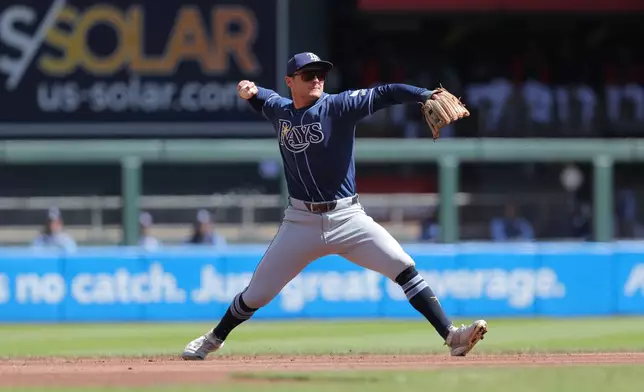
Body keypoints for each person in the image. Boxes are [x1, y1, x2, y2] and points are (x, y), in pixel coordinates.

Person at [182, 52, 487, 360]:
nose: (316, 78)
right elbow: (264, 99)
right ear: (291, 81)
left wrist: (424, 95)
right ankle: (213, 339)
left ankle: (452, 336)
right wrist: (250, 90)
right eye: (308, 74)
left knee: (403, 266)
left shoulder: (339, 106)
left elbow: (386, 93)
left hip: (348, 218)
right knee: (255, 295)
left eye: (320, 74)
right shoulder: (281, 111)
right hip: (300, 222)